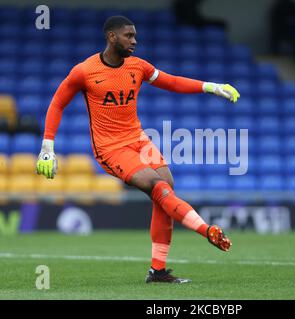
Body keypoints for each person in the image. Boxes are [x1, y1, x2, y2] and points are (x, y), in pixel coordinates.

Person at [36, 16, 240, 284]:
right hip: (110, 148)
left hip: (139, 139)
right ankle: (205, 230)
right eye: (128, 36)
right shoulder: (84, 71)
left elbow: (172, 82)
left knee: (166, 186)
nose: (134, 41)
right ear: (112, 37)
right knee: (158, 187)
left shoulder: (138, 66)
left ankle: (158, 271)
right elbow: (57, 103)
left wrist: (211, 87)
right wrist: (47, 147)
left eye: (134, 36)